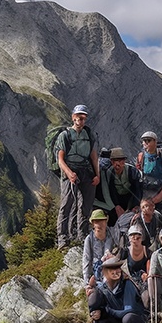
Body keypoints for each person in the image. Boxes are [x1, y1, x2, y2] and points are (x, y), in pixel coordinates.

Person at [55, 104, 100, 248]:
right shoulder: (65, 135)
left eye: (84, 118)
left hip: (86, 170)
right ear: (73, 118)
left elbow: (94, 158)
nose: (81, 120)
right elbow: (60, 159)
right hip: (69, 170)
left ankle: (82, 236)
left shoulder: (89, 135)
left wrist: (97, 175)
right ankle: (63, 238)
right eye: (79, 117)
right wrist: (69, 174)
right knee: (67, 204)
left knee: (85, 205)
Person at [88, 258, 147, 323]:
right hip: (119, 321)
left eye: (117, 268)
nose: (115, 272)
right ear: (105, 272)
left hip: (135, 319)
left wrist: (107, 311)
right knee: (98, 315)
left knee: (128, 318)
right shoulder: (103, 289)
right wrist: (96, 312)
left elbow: (129, 310)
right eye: (111, 269)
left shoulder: (127, 284)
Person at [94, 147, 142, 219]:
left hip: (130, 199)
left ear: (123, 162)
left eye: (120, 161)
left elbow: (138, 189)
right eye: (114, 161)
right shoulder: (109, 173)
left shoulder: (132, 171)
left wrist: (135, 205)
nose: (117, 164)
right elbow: (110, 190)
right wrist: (116, 205)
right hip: (117, 199)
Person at [82, 209, 116, 297]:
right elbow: (86, 261)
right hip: (96, 275)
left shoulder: (113, 235)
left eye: (101, 221)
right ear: (92, 224)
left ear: (106, 221)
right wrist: (87, 284)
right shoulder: (89, 239)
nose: (98, 224)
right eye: (96, 221)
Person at [138, 130, 162, 206]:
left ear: (155, 142)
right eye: (144, 141)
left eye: (149, 140)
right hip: (146, 191)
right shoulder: (141, 156)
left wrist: (161, 195)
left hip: (161, 190)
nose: (146, 143)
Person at [124, 224, 151, 293]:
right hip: (129, 281)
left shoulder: (147, 251)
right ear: (129, 238)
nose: (135, 239)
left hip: (144, 281)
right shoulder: (125, 252)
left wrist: (148, 275)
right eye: (133, 237)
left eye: (138, 238)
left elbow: (150, 265)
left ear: (142, 238)